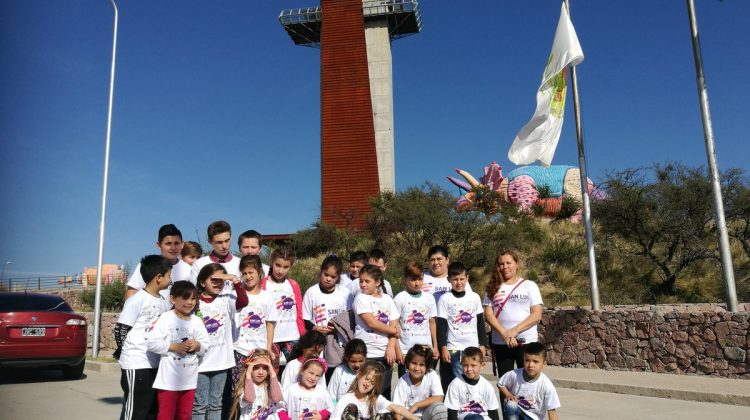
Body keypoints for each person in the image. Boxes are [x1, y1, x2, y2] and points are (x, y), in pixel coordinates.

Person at [115, 255, 172, 420]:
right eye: (169, 275)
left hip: (155, 364)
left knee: (151, 411)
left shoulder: (163, 301)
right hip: (136, 364)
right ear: (159, 277)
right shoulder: (136, 300)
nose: (170, 279)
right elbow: (121, 329)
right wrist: (128, 353)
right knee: (136, 412)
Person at [193, 263, 248, 420]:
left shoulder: (227, 299)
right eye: (213, 279)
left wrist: (234, 280)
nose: (218, 283)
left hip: (221, 362)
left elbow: (243, 302)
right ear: (203, 282)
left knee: (216, 404)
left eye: (221, 279)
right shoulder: (195, 300)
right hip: (200, 363)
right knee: (200, 405)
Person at [147, 281, 209, 420]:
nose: (189, 302)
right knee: (165, 416)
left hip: (189, 381)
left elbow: (206, 345)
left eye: (193, 298)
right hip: (168, 382)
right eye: (185, 298)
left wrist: (197, 345)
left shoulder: (197, 321)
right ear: (173, 299)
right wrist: (174, 346)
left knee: (185, 416)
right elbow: (151, 343)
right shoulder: (166, 318)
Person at [482, 251, 543, 381]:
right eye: (501, 264)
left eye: (508, 263)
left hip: (526, 342)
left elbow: (537, 314)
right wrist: (504, 333)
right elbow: (488, 314)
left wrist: (515, 330)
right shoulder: (492, 287)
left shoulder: (529, 286)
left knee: (528, 381)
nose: (505, 266)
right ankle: (507, 402)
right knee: (505, 381)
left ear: (517, 264)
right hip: (502, 342)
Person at [436, 262, 487, 391]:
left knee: (472, 378)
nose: (459, 283)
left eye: (461, 279)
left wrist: (482, 344)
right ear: (449, 280)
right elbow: (441, 325)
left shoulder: (474, 297)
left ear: (467, 278)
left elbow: (480, 322)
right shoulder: (444, 299)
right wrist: (443, 347)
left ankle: (470, 405)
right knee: (458, 381)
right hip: (454, 348)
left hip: (472, 347)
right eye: (455, 279)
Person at [352, 264, 400, 399]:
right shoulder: (360, 298)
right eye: (361, 281)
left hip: (385, 354)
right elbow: (372, 323)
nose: (363, 284)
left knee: (384, 392)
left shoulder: (388, 299)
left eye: (367, 281)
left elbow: (394, 322)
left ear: (378, 282)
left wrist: (391, 347)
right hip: (367, 353)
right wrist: (394, 331)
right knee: (365, 392)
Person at [302, 255, 351, 380]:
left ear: (338, 277)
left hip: (337, 342)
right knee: (316, 372)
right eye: (326, 274)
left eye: (333, 277)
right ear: (321, 272)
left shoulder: (345, 294)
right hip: (317, 341)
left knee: (336, 374)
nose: (328, 279)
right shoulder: (311, 292)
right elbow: (305, 318)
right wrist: (315, 327)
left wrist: (338, 328)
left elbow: (350, 318)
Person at [260, 248, 305, 374]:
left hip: (292, 336)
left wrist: (302, 335)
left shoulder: (293, 284)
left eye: (285, 267)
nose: (280, 270)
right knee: (271, 374)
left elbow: (299, 312)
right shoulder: (263, 284)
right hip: (272, 338)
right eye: (278, 265)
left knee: (294, 372)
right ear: (271, 262)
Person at [233, 255, 277, 385]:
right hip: (239, 350)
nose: (248, 276)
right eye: (244, 273)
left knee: (258, 388)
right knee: (237, 389)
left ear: (260, 272)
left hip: (259, 352)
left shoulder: (267, 297)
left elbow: (270, 324)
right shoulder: (235, 295)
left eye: (251, 272)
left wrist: (268, 348)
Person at [393, 261, 438, 377]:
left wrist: (435, 346)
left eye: (420, 279)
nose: (417, 283)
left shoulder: (429, 298)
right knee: (406, 386)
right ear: (405, 280)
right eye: (413, 280)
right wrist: (397, 350)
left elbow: (432, 323)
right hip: (406, 351)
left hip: (426, 349)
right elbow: (395, 325)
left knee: (426, 384)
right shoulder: (399, 298)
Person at [331, 361, 417, 420]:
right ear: (359, 375)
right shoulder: (346, 399)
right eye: (366, 379)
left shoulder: (374, 399)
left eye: (372, 382)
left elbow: (397, 408)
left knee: (388, 415)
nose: (367, 384)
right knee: (352, 408)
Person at [125, 224, 192, 300]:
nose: (173, 248)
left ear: (182, 244)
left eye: (176, 243)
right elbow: (131, 293)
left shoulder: (189, 270)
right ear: (158, 245)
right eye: (168, 243)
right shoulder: (147, 265)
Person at [496, 343, 560, 420]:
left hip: (533, 417)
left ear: (544, 364)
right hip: (516, 412)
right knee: (511, 405)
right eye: (527, 360)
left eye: (535, 361)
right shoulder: (515, 374)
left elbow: (552, 411)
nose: (530, 365)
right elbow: (500, 384)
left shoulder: (546, 385)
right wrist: (508, 394)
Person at [444, 347, 500, 420]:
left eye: (473, 365)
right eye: (465, 365)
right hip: (465, 416)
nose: (469, 369)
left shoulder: (487, 385)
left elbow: (493, 411)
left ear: (482, 365)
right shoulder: (455, 384)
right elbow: (452, 412)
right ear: (461, 365)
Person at [392, 345, 446, 420]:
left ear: (427, 367)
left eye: (421, 365)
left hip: (426, 415)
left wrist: (416, 405)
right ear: (408, 363)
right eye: (414, 363)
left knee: (440, 408)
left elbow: (439, 397)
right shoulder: (403, 381)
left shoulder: (432, 375)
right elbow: (397, 411)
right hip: (408, 416)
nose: (417, 368)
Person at [229, 349, 284, 420]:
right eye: (255, 367)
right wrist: (248, 374)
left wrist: (272, 373)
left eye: (265, 367)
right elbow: (250, 399)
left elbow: (277, 399)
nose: (260, 372)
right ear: (249, 368)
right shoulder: (244, 386)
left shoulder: (274, 384)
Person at [190, 221, 241, 288]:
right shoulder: (199, 264)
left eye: (227, 240)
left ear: (231, 237)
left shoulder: (240, 263)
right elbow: (195, 291)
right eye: (219, 242)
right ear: (210, 241)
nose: (224, 246)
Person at [327, 339, 367, 404]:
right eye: (353, 361)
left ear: (365, 358)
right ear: (346, 358)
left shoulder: (368, 372)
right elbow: (331, 396)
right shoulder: (339, 371)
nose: (357, 365)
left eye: (361, 361)